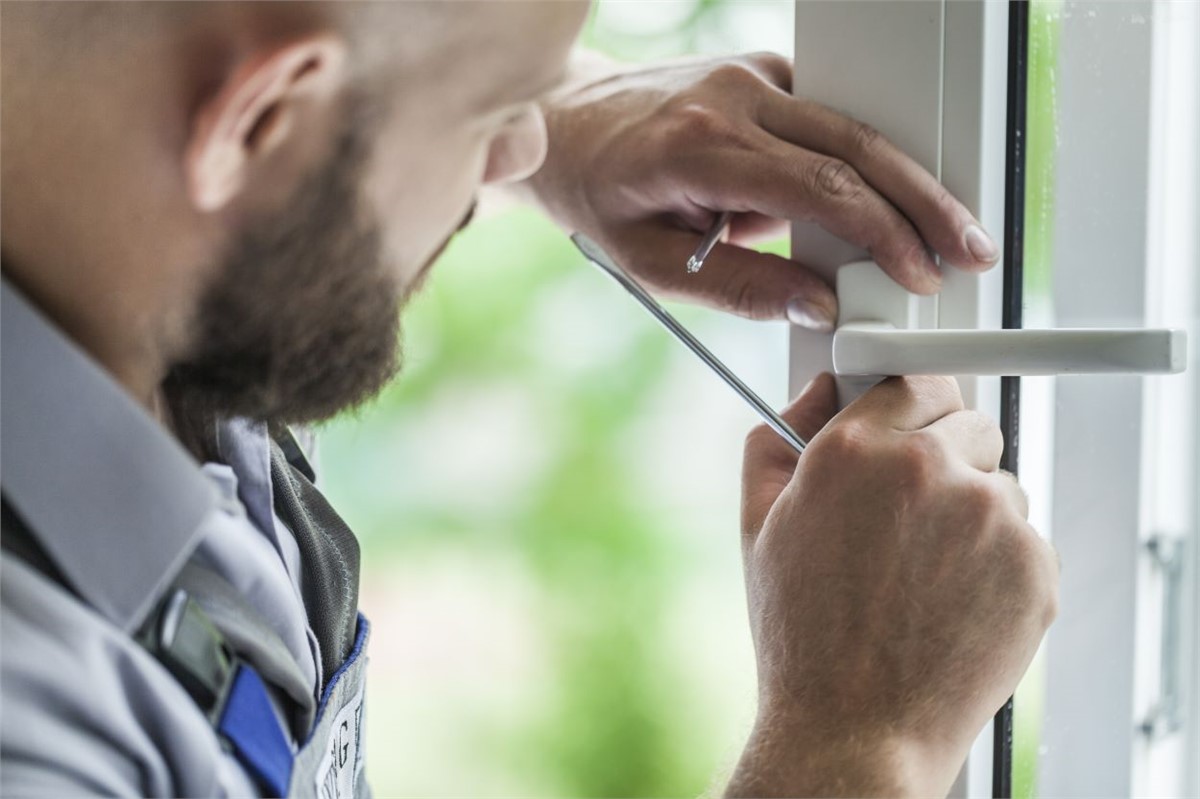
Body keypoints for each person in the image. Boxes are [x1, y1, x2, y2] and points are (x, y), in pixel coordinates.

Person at [0, 2, 1058, 796]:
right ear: (260, 123)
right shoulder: (39, 731)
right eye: (498, 118)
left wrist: (553, 101)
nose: (529, 156)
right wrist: (856, 739)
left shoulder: (130, 266)